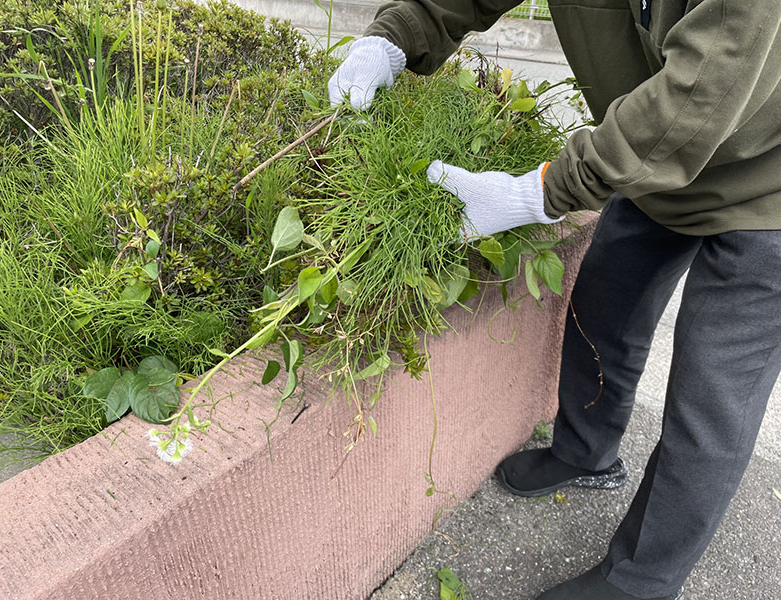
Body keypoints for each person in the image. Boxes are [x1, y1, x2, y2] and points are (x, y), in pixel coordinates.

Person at [327, 1, 781, 599]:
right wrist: (394, 35)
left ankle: (641, 582)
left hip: (766, 187)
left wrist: (540, 192)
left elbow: (700, 96)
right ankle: (586, 453)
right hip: (650, 167)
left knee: (710, 400)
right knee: (604, 309)